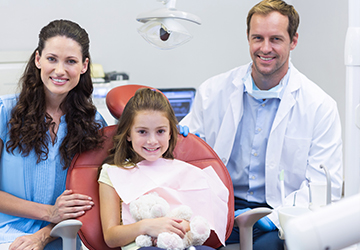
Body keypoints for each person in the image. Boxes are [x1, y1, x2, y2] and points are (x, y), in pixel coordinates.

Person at [179, 0, 343, 249]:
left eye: (275, 39)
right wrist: (174, 142)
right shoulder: (213, 92)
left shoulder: (319, 106)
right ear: (247, 37)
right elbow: (183, 161)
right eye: (258, 38)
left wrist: (274, 218)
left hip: (277, 219)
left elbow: (323, 187)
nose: (265, 48)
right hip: (217, 213)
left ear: (293, 41)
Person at [0, 19, 107, 250]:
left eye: (70, 61)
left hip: (61, 236)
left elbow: (85, 202)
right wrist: (50, 212)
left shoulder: (93, 125)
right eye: (52, 59)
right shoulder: (2, 112)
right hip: (3, 236)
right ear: (38, 59)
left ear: (84, 66)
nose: (60, 70)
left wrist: (44, 235)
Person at [98, 88, 230, 250]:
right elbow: (111, 237)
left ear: (170, 133)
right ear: (128, 134)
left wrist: (185, 227)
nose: (152, 140)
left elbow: (198, 224)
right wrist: (147, 226)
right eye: (142, 132)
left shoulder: (182, 171)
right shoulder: (112, 172)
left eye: (160, 131)